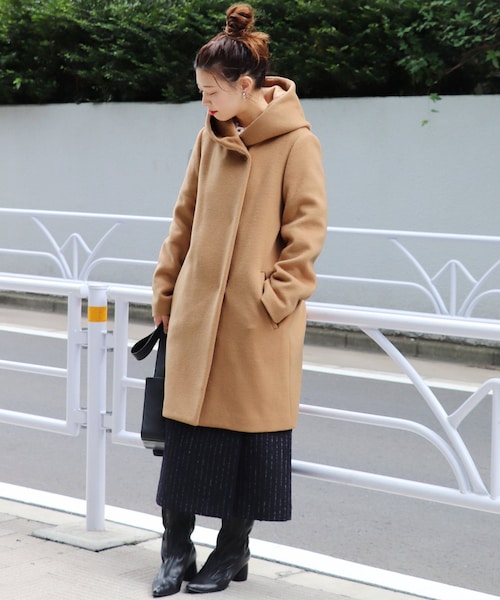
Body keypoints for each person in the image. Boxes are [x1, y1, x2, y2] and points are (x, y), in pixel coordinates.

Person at [150, 3, 327, 596]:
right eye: (201, 91)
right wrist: (166, 289)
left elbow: (307, 233)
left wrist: (271, 300)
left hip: (256, 325)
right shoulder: (209, 138)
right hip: (197, 317)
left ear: (245, 85)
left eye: (211, 91)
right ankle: (175, 550)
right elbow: (183, 219)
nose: (204, 101)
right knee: (184, 440)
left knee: (248, 445)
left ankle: (231, 551)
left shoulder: (297, 143)